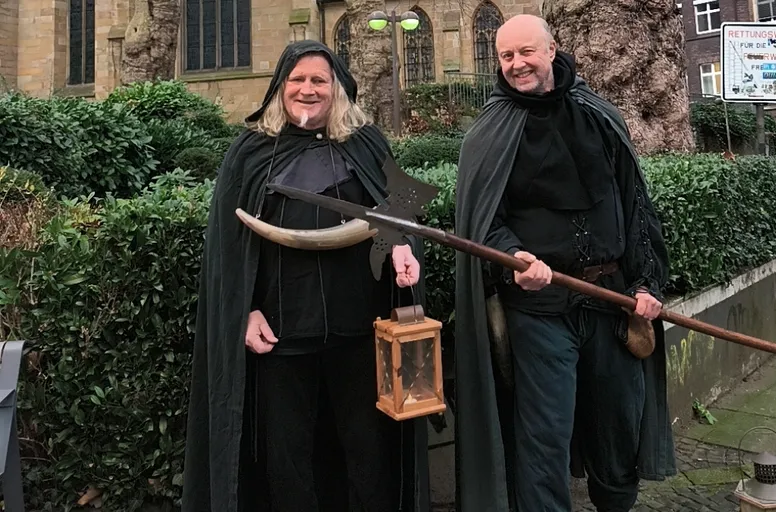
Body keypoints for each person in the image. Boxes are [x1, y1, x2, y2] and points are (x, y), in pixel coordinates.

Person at [181, 40, 431, 512]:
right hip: (281, 332)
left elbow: (400, 217)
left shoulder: (365, 143)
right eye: (297, 80)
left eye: (319, 80)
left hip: (360, 329)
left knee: (369, 453)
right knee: (286, 461)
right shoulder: (250, 152)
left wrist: (403, 250)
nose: (308, 90)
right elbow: (228, 250)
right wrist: (245, 311)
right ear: (279, 88)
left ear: (336, 88)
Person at [453, 14, 677, 512]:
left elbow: (634, 205)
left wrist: (647, 282)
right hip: (539, 311)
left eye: (526, 52)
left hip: (610, 300)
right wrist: (513, 257)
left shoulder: (599, 115)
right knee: (544, 436)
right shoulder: (488, 132)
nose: (516, 64)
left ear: (552, 50)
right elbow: (482, 220)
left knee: (617, 424)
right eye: (506, 56)